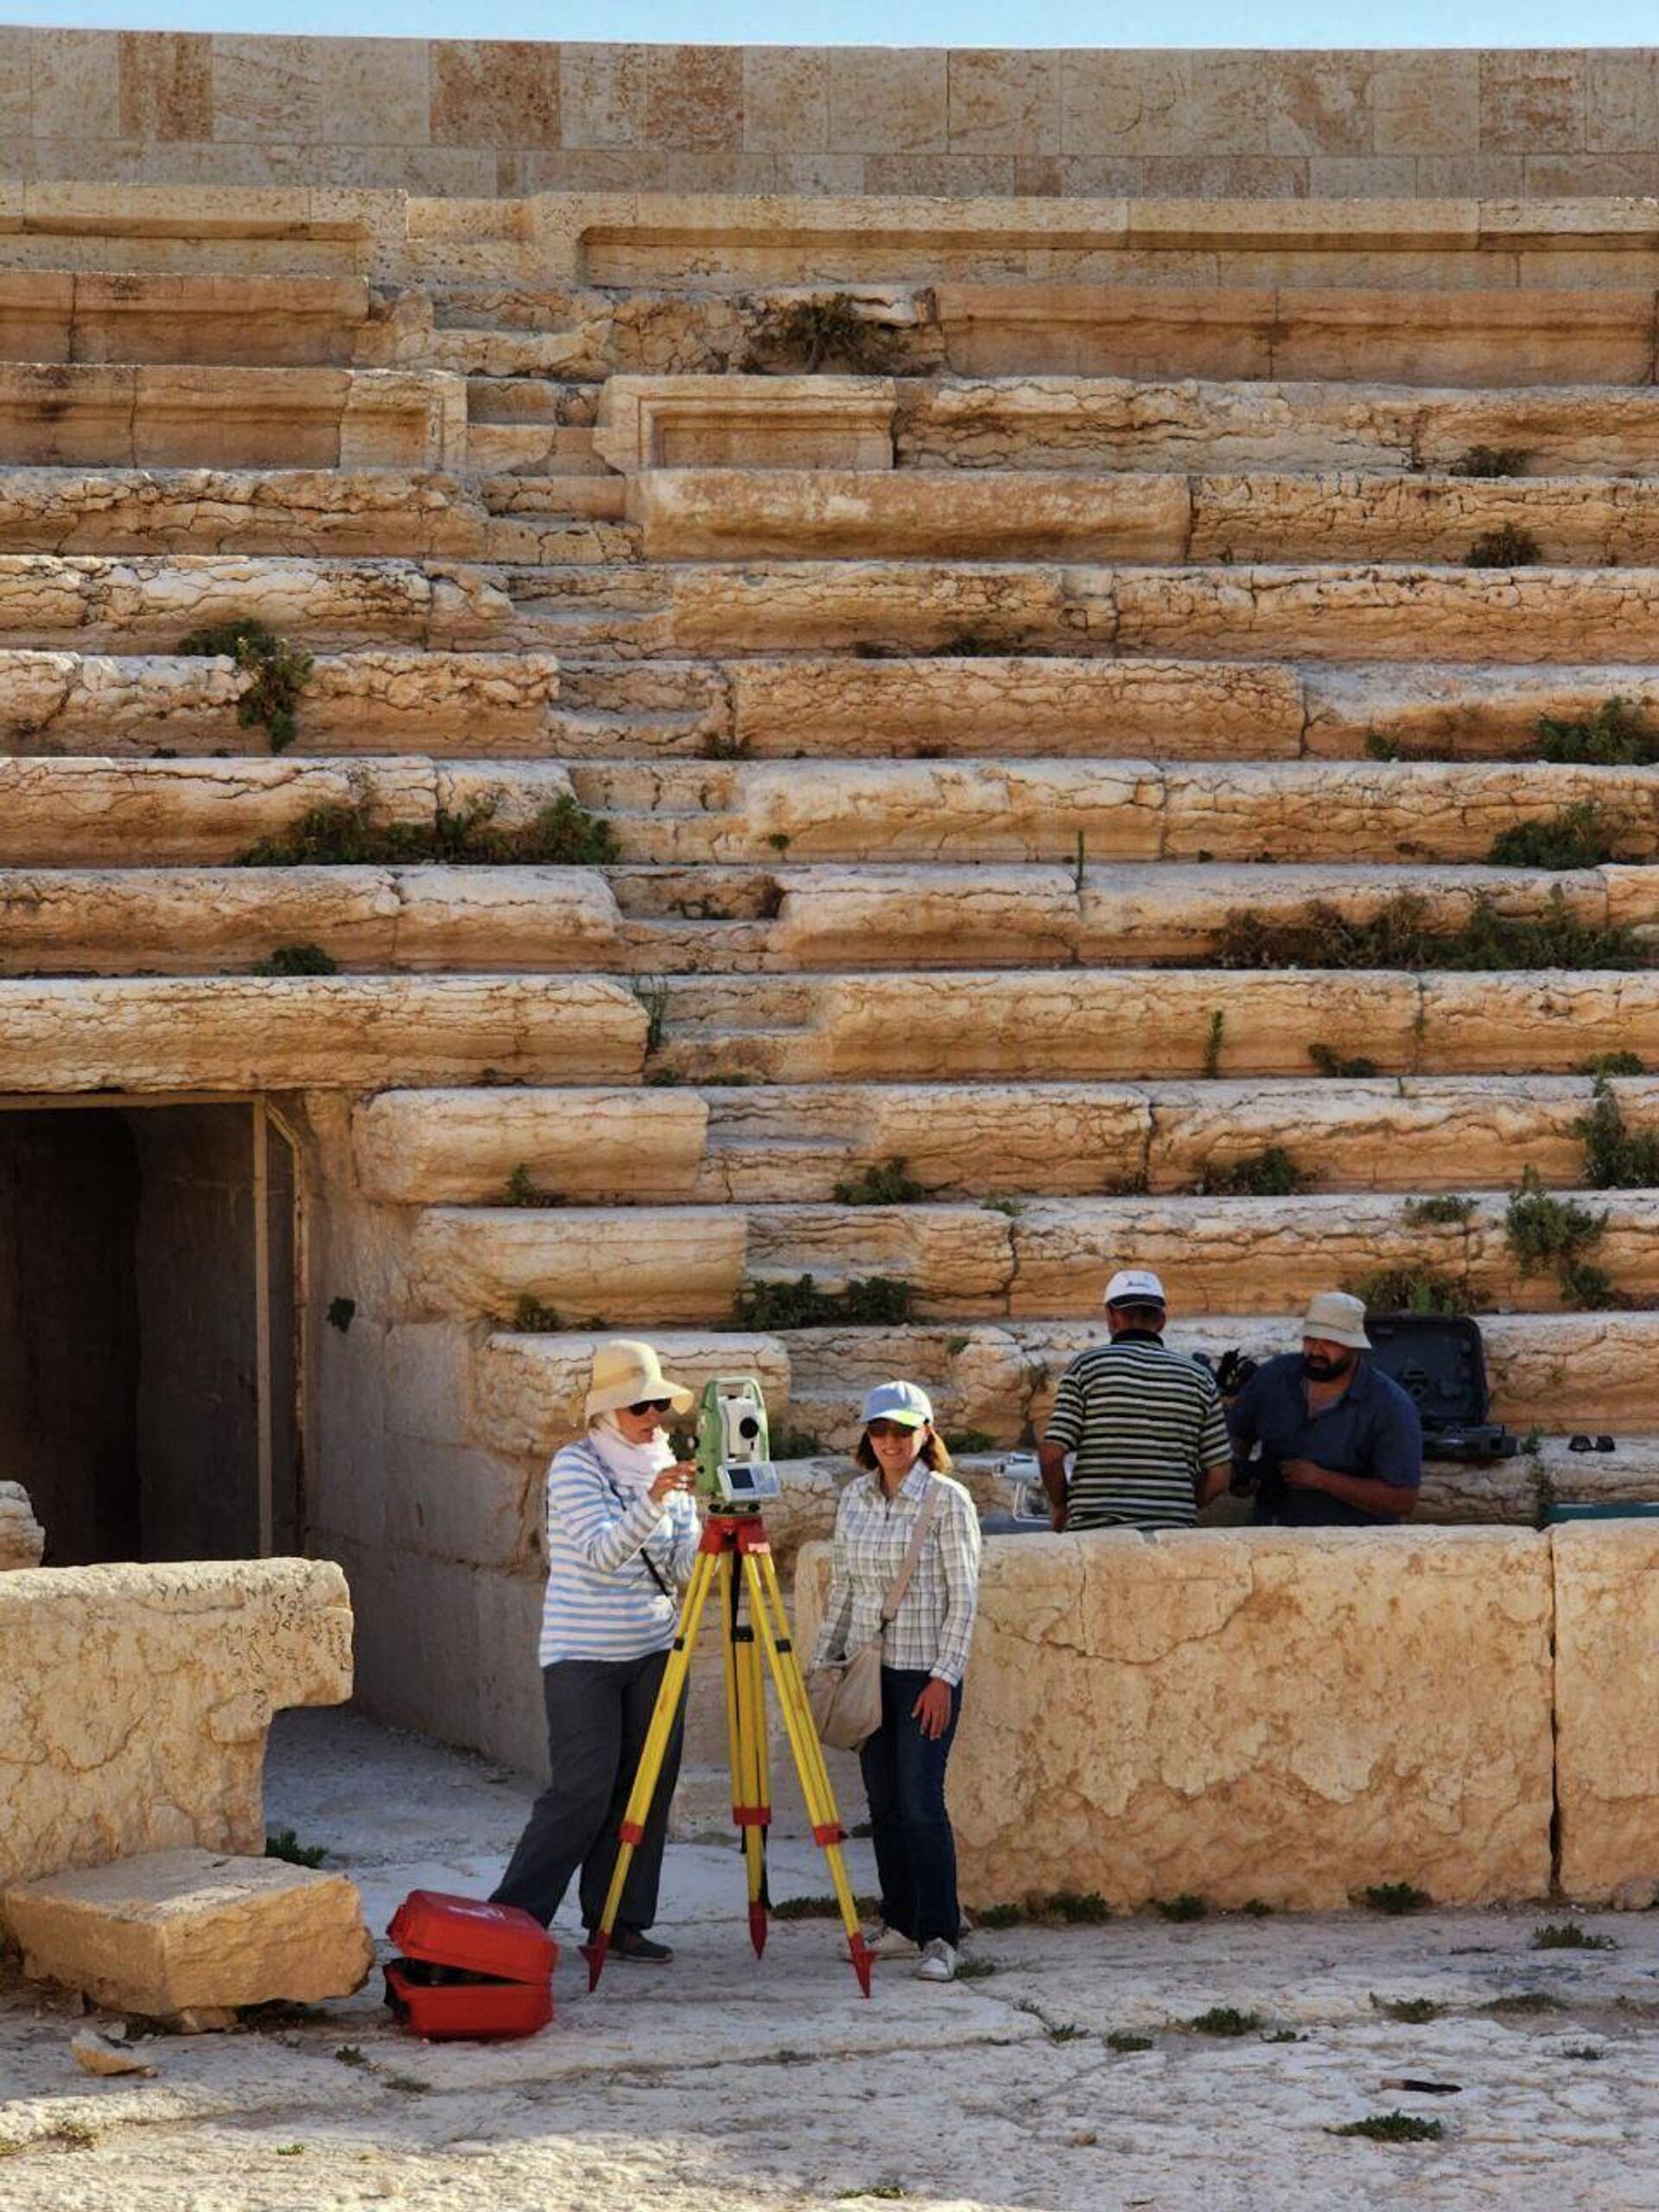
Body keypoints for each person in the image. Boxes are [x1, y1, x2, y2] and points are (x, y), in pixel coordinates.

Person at [491, 1339, 700, 1961]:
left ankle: (620, 1922)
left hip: (655, 1650)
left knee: (645, 1791)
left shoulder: (667, 1467)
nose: (654, 1417)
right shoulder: (576, 1466)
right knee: (581, 1793)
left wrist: (714, 1529)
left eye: (660, 1404)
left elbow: (680, 1569)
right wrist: (655, 1499)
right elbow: (604, 1553)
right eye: (641, 1406)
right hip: (583, 1657)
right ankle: (513, 1921)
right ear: (610, 1411)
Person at [811, 1381, 981, 1985]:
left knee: (919, 1801)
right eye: (880, 1430)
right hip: (867, 1671)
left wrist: (944, 1678)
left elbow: (963, 1598)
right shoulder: (855, 1498)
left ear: (926, 1433)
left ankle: (941, 1934)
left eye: (903, 1430)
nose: (890, 1442)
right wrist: (823, 1664)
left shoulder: (947, 1500)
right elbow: (847, 1587)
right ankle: (902, 1920)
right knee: (882, 1804)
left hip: (923, 1674)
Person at [1039, 1269, 1233, 1531]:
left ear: (1111, 1315)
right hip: (1171, 1539)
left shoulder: (1087, 1367)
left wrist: (1062, 1504)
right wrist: (1178, 1506)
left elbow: (1051, 1455)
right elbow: (1219, 1478)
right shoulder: (1199, 1378)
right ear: (1162, 1320)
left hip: (1095, 1536)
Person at [1225, 1291, 1422, 1526]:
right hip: (1272, 1538)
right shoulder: (1273, 1378)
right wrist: (1239, 1471)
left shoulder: (1390, 1406)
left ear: (1354, 1346)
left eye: (1330, 1342)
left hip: (1350, 1550)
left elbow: (1403, 1500)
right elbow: (1238, 1431)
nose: (1316, 1351)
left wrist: (1323, 1480)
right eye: (1310, 1339)